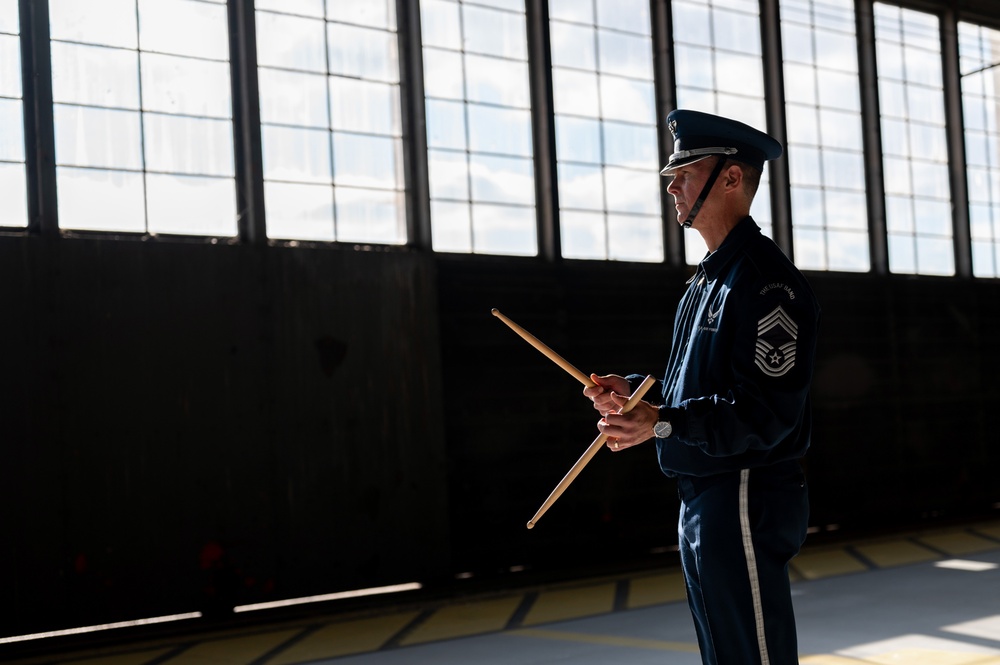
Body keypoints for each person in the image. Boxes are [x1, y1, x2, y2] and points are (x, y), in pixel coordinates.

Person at [584, 109, 820, 665]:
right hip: (704, 490)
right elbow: (700, 383)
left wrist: (662, 422)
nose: (672, 184)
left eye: (684, 170)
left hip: (742, 490)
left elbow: (764, 412)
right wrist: (640, 394)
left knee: (750, 656)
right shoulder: (710, 278)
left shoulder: (767, 284)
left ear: (731, 179)